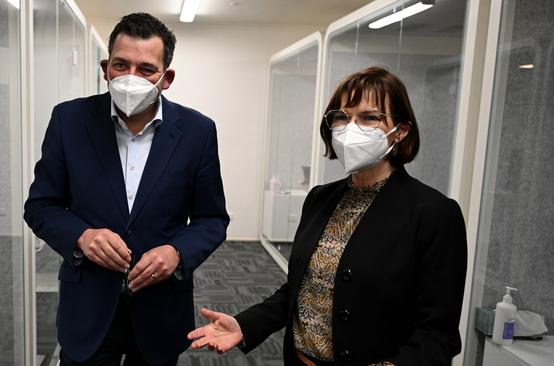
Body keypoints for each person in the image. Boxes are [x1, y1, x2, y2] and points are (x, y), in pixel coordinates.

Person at [188, 66, 467, 366]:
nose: (350, 128)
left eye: (369, 117)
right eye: (342, 117)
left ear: (401, 131)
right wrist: (246, 324)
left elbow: (437, 334)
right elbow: (300, 289)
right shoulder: (321, 198)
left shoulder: (433, 213)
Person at [24, 13, 229, 366]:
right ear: (106, 68)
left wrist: (177, 253)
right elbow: (40, 206)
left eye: (146, 69)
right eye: (121, 64)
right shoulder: (68, 120)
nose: (131, 78)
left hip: (160, 308)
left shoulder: (198, 132)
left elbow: (212, 219)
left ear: (167, 78)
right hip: (87, 307)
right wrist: (82, 237)